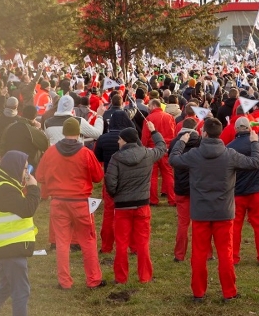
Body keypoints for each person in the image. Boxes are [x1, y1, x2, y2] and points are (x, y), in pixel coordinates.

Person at [168, 117, 259, 303]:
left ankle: (199, 292)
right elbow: (256, 162)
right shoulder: (229, 154)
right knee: (225, 253)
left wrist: (181, 142)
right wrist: (254, 143)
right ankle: (229, 292)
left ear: (203, 133)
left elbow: (173, 159)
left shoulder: (195, 154)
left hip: (201, 212)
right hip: (223, 212)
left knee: (199, 253)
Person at [36, 117, 106, 289]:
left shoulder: (51, 152)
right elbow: (98, 177)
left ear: (63, 132)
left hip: (58, 202)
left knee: (62, 242)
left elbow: (39, 176)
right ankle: (93, 279)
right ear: (79, 133)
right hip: (81, 202)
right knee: (88, 241)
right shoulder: (85, 153)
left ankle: (64, 281)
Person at [0, 151, 40, 316]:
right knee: (21, 291)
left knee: (5, 288)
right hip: (11, 247)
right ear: (15, 168)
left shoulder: (2, 185)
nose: (27, 173)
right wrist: (33, 188)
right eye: (25, 169)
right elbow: (27, 209)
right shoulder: (3, 189)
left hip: (7, 246)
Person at [105, 121, 166, 284]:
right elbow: (162, 147)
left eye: (120, 139)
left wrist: (116, 195)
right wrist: (154, 132)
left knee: (121, 243)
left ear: (125, 140)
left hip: (123, 207)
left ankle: (121, 277)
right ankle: (145, 276)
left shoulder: (116, 158)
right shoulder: (147, 154)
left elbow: (110, 181)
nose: (118, 141)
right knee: (143, 242)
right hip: (142, 205)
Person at [227, 104, 259, 266]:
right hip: (256, 191)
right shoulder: (258, 142)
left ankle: (233, 257)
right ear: (250, 128)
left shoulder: (229, 148)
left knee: (235, 226)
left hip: (237, 192)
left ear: (235, 129)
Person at [94, 110, 134, 254]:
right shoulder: (131, 138)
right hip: (128, 179)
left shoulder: (103, 138)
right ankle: (133, 246)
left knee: (109, 214)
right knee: (130, 214)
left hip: (110, 178)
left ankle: (106, 246)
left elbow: (97, 157)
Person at [169, 118, 202, 262]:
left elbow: (171, 160)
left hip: (182, 186)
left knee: (183, 223)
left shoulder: (175, 143)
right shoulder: (200, 142)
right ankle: (206, 252)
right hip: (198, 187)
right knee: (201, 222)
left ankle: (179, 254)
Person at [142, 98, 176, 206]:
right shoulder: (170, 117)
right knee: (168, 174)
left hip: (152, 150)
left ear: (153, 106)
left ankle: (153, 200)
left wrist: (143, 148)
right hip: (166, 149)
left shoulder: (149, 118)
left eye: (149, 106)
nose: (148, 107)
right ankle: (172, 199)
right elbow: (174, 133)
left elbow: (145, 136)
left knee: (152, 176)